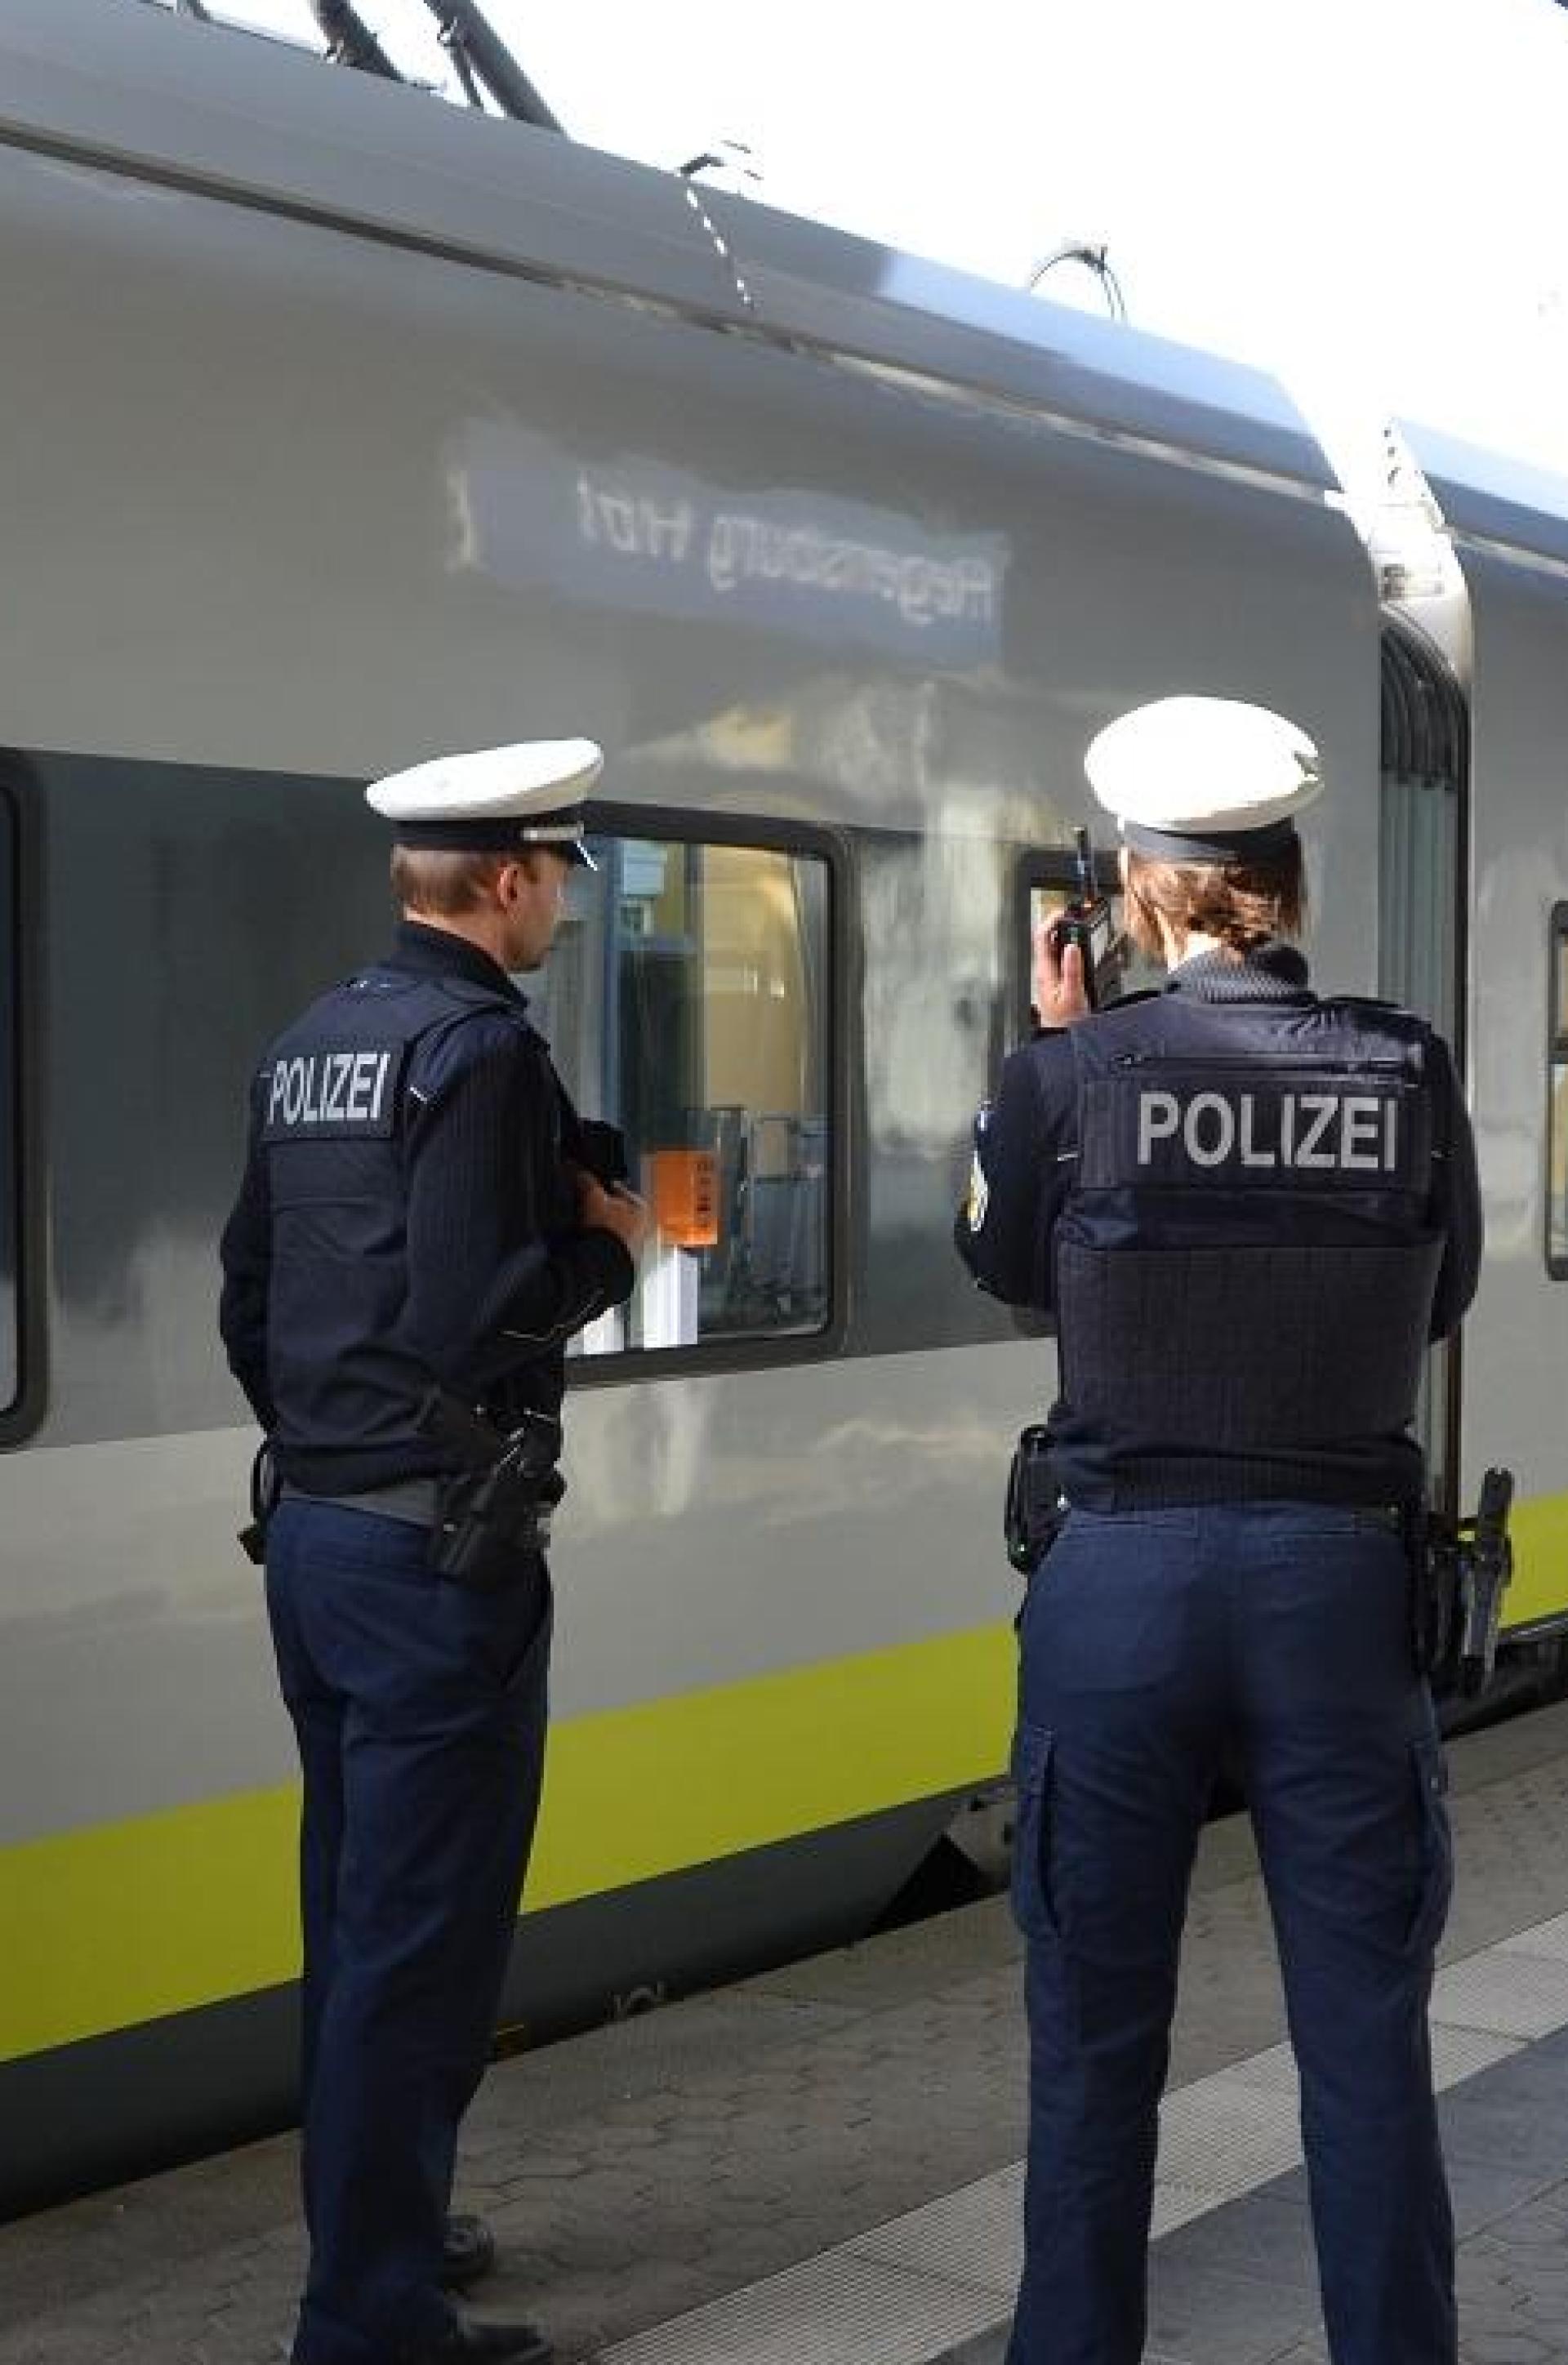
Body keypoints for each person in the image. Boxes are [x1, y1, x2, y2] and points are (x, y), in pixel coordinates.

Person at [956, 696, 1482, 2365]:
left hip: (1120, 1588)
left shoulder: (1070, 1072)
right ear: (1289, 881)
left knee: (1093, 2050)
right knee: (1367, 2045)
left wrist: (1053, 1045)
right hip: (1339, 1593)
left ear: (1133, 892)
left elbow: (1005, 1264)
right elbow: (1445, 1290)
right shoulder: (1406, 1068)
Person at [220, 739, 651, 2365]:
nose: (562, 910)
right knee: (426, 1939)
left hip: (318, 1538)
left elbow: (246, 1300)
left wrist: (336, 1443)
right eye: (560, 880)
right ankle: (367, 2319)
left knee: (356, 1923)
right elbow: (482, 1312)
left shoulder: (313, 1043)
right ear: (511, 879)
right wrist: (609, 1251)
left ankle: (383, 2228)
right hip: (433, 1566)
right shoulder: (479, 1056)